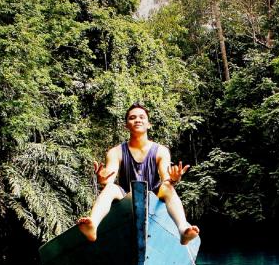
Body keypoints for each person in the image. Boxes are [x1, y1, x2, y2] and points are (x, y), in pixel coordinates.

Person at [78, 103, 200, 245]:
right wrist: (103, 180)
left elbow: (166, 179)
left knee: (168, 187)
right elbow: (109, 180)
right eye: (132, 117)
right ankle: (93, 225)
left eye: (142, 117)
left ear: (149, 124)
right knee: (110, 188)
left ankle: (183, 230)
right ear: (126, 125)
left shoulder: (160, 151)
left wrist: (173, 179)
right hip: (126, 196)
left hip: (153, 195)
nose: (137, 120)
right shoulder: (115, 152)